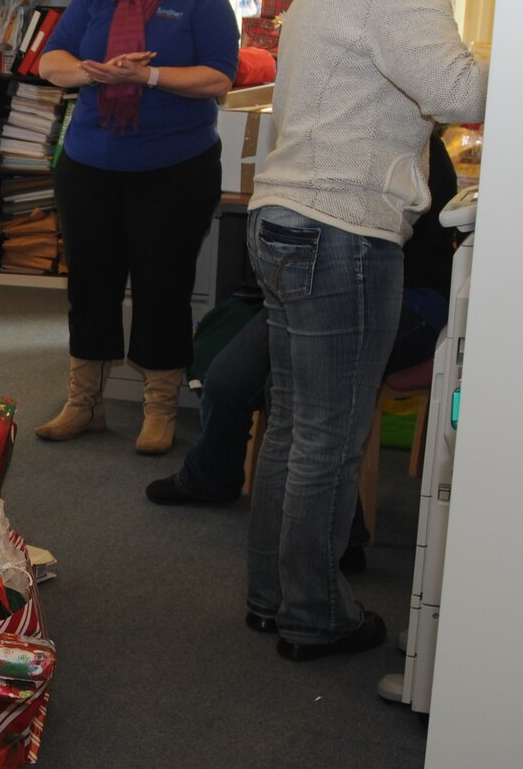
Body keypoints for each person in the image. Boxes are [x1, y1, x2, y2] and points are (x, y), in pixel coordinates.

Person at [243, 0, 500, 662]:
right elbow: (459, 92)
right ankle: (315, 616)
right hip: (344, 231)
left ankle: (273, 597)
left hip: (288, 216)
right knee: (330, 436)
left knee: (293, 426)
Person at [147, 134, 459, 559]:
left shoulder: (415, 152)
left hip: (408, 298)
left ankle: (335, 542)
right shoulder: (342, 139)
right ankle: (211, 477)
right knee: (225, 378)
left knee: (302, 399)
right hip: (323, 285)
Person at [32, 0, 240, 455]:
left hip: (174, 168)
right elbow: (52, 60)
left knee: (162, 288)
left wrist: (145, 75)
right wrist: (92, 72)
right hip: (90, 162)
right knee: (91, 286)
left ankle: (159, 409)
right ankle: (84, 403)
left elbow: (220, 75)